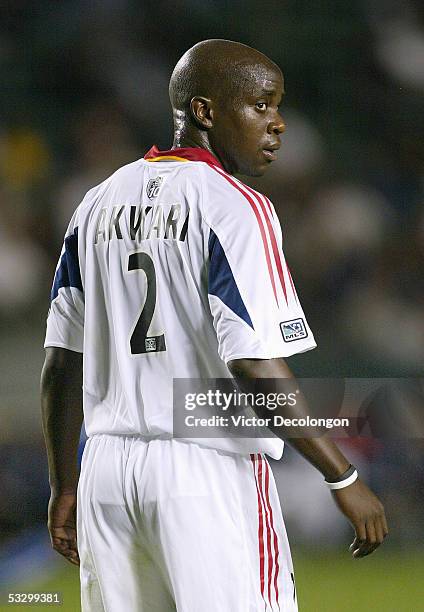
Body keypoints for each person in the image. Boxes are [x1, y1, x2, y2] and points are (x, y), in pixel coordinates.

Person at [41, 39, 388, 612]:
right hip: (205, 469)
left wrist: (65, 484)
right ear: (203, 111)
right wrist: (343, 478)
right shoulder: (234, 204)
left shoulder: (95, 203)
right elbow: (254, 364)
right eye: (261, 105)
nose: (277, 124)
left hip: (104, 469)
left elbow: (61, 362)